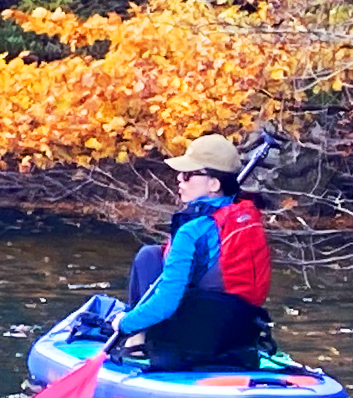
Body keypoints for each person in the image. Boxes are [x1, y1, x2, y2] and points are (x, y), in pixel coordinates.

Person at [109, 133, 273, 371]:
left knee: (147, 256)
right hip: (238, 337)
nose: (179, 180)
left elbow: (166, 302)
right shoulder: (248, 218)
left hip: (190, 344)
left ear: (214, 185)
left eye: (187, 175)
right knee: (154, 254)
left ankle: (137, 341)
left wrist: (125, 323)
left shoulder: (192, 231)